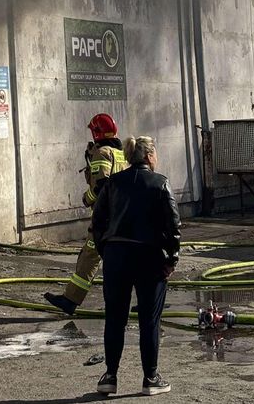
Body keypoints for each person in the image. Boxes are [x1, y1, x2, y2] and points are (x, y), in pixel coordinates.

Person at [91, 135, 181, 397]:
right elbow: (173, 226)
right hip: (150, 256)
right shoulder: (161, 183)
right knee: (149, 320)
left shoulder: (114, 183)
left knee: (115, 318)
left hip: (117, 255)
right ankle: (150, 377)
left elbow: (98, 221)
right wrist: (171, 259)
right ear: (150, 156)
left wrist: (105, 251)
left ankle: (110, 376)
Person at [44, 113, 126, 315]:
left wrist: (86, 198)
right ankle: (144, 299)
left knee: (90, 256)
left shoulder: (103, 153)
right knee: (122, 258)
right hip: (121, 214)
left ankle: (70, 300)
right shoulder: (121, 154)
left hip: (104, 218)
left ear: (96, 132)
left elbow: (101, 186)